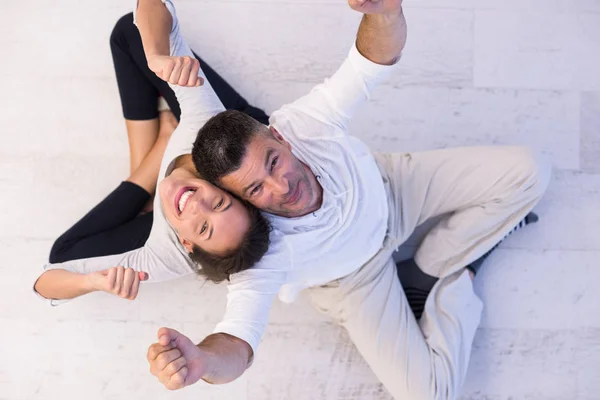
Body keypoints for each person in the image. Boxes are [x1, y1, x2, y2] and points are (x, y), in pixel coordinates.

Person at [139, 0, 551, 398]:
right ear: (239, 200)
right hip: (355, 280)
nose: (281, 188)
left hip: (393, 188)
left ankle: (427, 269)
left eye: (273, 161)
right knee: (433, 394)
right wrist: (203, 363)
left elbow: (369, 60)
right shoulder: (264, 251)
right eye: (256, 190)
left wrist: (387, 13)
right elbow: (239, 339)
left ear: (279, 136)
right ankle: (460, 278)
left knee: (531, 171)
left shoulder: (305, 122)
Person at [33, 11, 272, 303]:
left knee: (64, 252)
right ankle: (162, 150)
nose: (198, 205)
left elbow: (48, 278)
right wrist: (159, 57)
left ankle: (159, 151)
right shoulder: (213, 134)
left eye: (203, 227)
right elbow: (150, 10)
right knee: (128, 33)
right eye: (219, 202)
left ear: (187, 244)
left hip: (170, 220)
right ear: (228, 190)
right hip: (235, 127)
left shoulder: (167, 256)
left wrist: (92, 281)